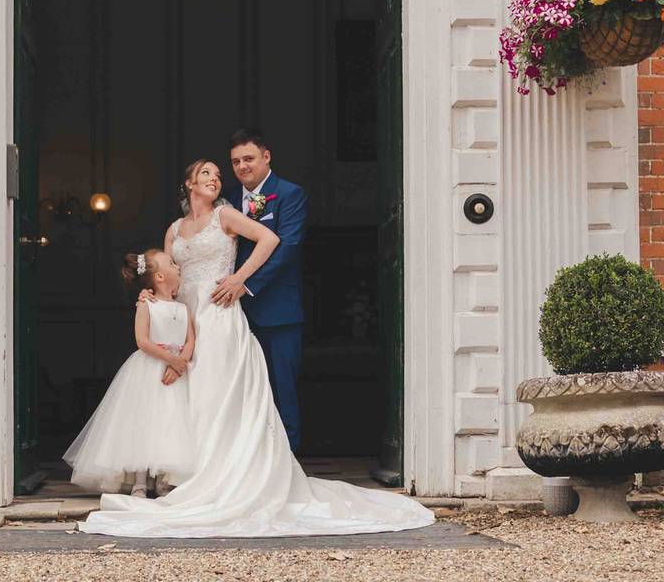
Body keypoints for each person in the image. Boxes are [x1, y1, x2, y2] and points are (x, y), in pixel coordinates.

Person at [78, 158, 435, 537]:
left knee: (217, 394)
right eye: (206, 174)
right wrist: (152, 301)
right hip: (185, 318)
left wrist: (239, 279)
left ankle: (222, 476)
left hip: (218, 314)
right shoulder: (174, 230)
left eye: (217, 175)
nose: (215, 179)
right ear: (188, 184)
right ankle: (183, 474)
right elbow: (167, 276)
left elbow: (270, 239)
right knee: (185, 396)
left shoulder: (225, 216)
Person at [63, 249, 196, 498]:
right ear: (158, 276)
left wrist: (181, 363)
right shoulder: (146, 305)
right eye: (171, 263)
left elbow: (190, 339)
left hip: (175, 372)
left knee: (169, 423)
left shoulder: (184, 308)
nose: (178, 266)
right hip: (151, 370)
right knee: (142, 423)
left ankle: (164, 479)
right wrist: (170, 359)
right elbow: (142, 341)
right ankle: (139, 481)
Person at [220, 127, 307, 452]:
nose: (242, 166)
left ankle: (290, 463)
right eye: (235, 161)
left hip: (278, 311)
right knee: (242, 392)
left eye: (249, 159)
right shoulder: (226, 199)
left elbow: (288, 248)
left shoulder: (289, 194)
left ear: (266, 157)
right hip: (232, 314)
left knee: (282, 388)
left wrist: (246, 285)